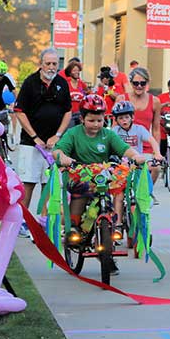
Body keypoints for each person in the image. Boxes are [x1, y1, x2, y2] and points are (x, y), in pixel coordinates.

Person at [53, 94, 147, 275]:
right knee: (82, 189)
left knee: (110, 202)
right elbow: (58, 150)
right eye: (91, 120)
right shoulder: (73, 134)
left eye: (99, 120)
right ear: (82, 119)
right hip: (79, 175)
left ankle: (107, 250)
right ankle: (73, 225)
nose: (96, 124)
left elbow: (124, 149)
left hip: (103, 178)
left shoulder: (108, 134)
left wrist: (135, 156)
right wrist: (63, 157)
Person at [14, 48, 72, 238]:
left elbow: (67, 112)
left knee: (50, 183)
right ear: (41, 63)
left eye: (55, 63)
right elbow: (20, 111)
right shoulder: (30, 83)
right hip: (31, 143)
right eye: (48, 63)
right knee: (28, 182)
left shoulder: (62, 83)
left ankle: (44, 221)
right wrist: (35, 137)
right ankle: (22, 222)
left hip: (53, 144)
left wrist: (58, 135)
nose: (51, 67)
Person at [111, 100, 163, 231]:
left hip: (137, 164)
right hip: (120, 166)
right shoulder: (114, 131)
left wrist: (157, 153)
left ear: (132, 117)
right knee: (119, 195)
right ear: (116, 120)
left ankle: (148, 192)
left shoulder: (139, 129)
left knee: (154, 169)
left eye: (127, 117)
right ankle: (117, 223)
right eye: (121, 118)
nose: (124, 120)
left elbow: (152, 140)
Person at [116, 67, 162, 198]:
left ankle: (146, 194)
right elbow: (114, 128)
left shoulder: (155, 101)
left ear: (147, 83)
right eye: (136, 83)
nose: (139, 86)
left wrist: (156, 152)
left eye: (143, 83)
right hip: (124, 145)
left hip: (145, 146)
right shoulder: (121, 98)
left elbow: (156, 129)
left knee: (155, 169)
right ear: (131, 83)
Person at [64, 59, 87, 128]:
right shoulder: (66, 83)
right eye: (74, 70)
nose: (77, 72)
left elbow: (89, 93)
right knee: (70, 133)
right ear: (70, 72)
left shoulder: (81, 84)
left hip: (80, 114)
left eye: (78, 70)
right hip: (69, 114)